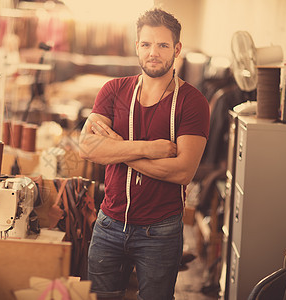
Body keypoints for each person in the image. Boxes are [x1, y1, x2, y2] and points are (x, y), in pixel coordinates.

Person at [79, 8, 210, 300]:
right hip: (108, 224)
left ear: (177, 49)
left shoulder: (192, 102)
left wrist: (115, 149)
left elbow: (182, 171)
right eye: (147, 44)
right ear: (137, 46)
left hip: (160, 231)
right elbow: (87, 147)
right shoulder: (113, 90)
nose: (154, 52)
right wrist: (149, 149)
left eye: (163, 45)